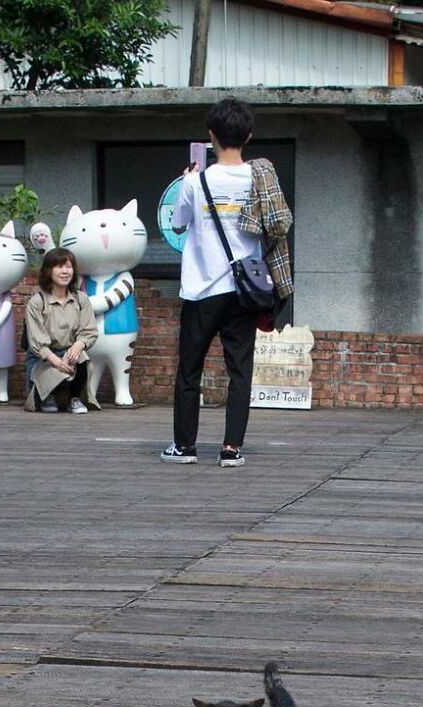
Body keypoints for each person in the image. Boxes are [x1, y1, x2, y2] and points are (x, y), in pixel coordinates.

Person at [161, 97, 292, 467]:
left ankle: (184, 447)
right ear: (248, 136)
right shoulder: (261, 178)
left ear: (210, 136)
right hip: (245, 290)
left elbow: (177, 224)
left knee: (189, 369)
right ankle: (231, 448)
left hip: (201, 289)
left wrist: (190, 179)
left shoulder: (195, 181)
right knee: (240, 370)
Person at [24, 248, 99, 413]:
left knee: (83, 358)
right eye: (59, 267)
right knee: (51, 372)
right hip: (43, 358)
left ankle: (75, 398)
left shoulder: (81, 299)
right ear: (48, 271)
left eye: (68, 266)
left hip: (69, 353)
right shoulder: (37, 302)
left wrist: (78, 345)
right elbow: (37, 344)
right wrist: (57, 362)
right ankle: (45, 396)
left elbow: (89, 331)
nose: (65, 271)